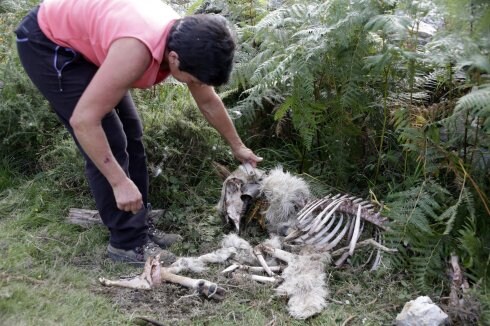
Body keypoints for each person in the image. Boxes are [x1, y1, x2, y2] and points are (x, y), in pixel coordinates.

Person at [14, 0, 262, 264]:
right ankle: (127, 243)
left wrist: (237, 146)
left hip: (94, 38)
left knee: (132, 130)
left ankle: (139, 222)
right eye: (195, 80)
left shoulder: (189, 43)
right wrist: (119, 183)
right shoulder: (136, 51)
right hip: (49, 43)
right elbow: (84, 122)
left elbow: (209, 101)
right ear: (174, 59)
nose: (197, 86)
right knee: (109, 137)